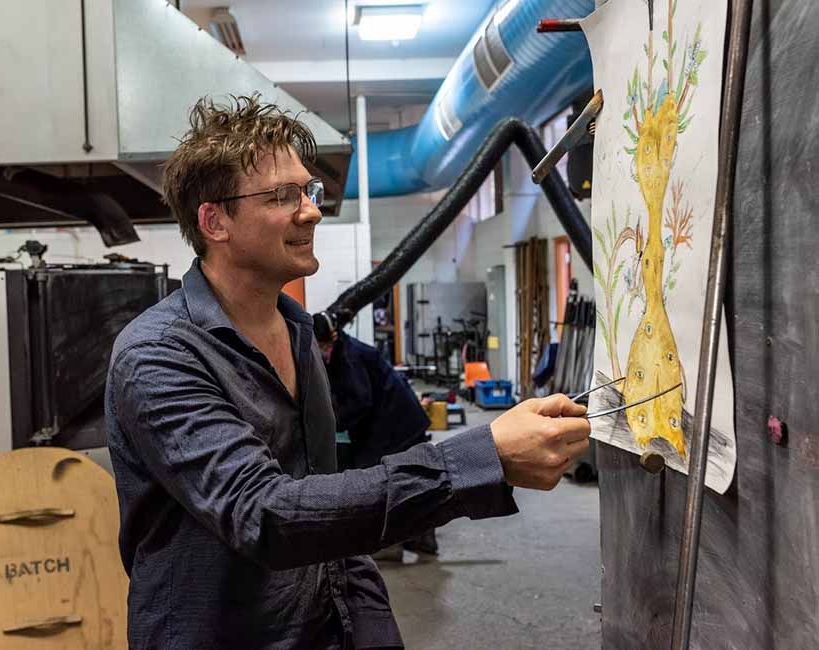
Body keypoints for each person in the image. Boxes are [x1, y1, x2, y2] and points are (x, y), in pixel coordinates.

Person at [105, 94, 590, 650]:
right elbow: (264, 514)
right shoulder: (158, 355)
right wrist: (483, 456)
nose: (311, 210)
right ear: (215, 221)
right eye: (282, 196)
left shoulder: (296, 331)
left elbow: (324, 504)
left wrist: (370, 626)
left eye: (308, 192)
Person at [318, 328, 438, 557]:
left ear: (324, 340)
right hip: (394, 422)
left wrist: (336, 423)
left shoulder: (349, 356)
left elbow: (361, 400)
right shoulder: (341, 351)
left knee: (387, 481)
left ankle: (392, 545)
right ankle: (416, 540)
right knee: (407, 482)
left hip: (399, 425)